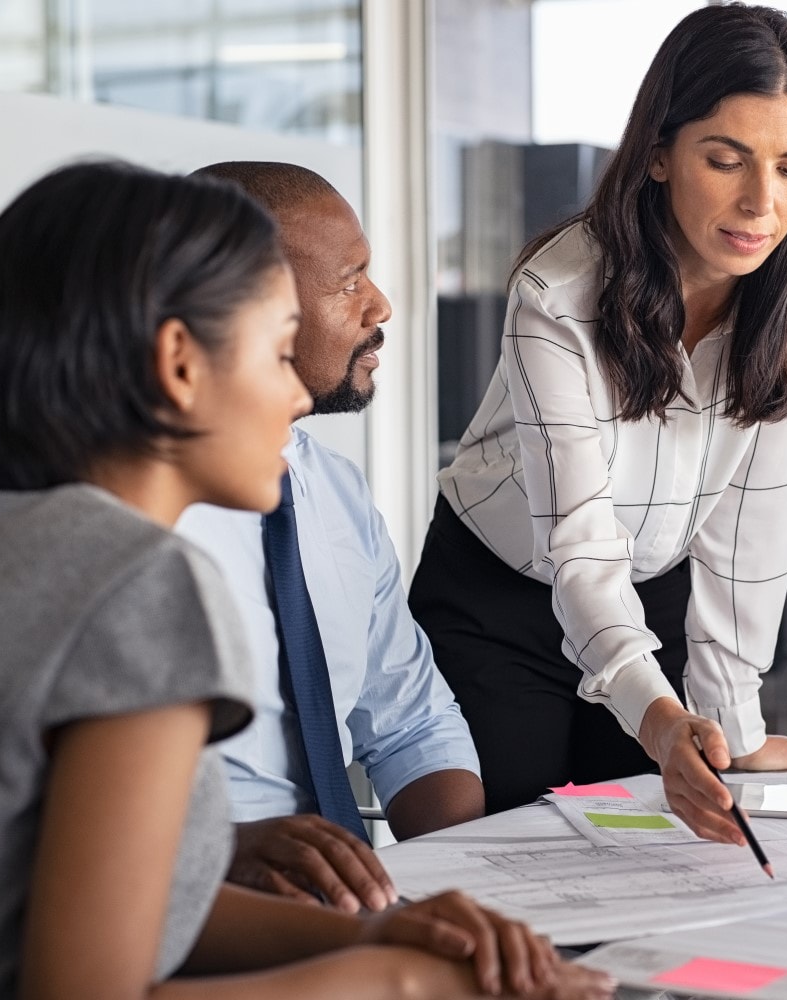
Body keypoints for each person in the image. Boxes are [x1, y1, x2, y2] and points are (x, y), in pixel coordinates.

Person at [0, 161, 611, 1000]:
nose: (295, 394)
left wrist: (370, 931)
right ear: (180, 364)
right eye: (274, 347)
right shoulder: (135, 582)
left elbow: (116, 909)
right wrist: (402, 980)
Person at [409, 3, 787, 841]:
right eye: (726, 160)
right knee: (513, 850)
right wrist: (656, 718)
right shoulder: (558, 294)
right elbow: (579, 544)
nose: (761, 204)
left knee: (647, 853)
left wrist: (735, 724)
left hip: (658, 589)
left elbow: (762, 506)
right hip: (502, 593)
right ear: (658, 152)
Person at [178, 162, 483, 914]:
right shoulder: (139, 525)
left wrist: (466, 882)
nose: (380, 304)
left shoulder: (334, 490)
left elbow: (412, 718)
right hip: (200, 901)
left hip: (351, 901)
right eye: (350, 280)